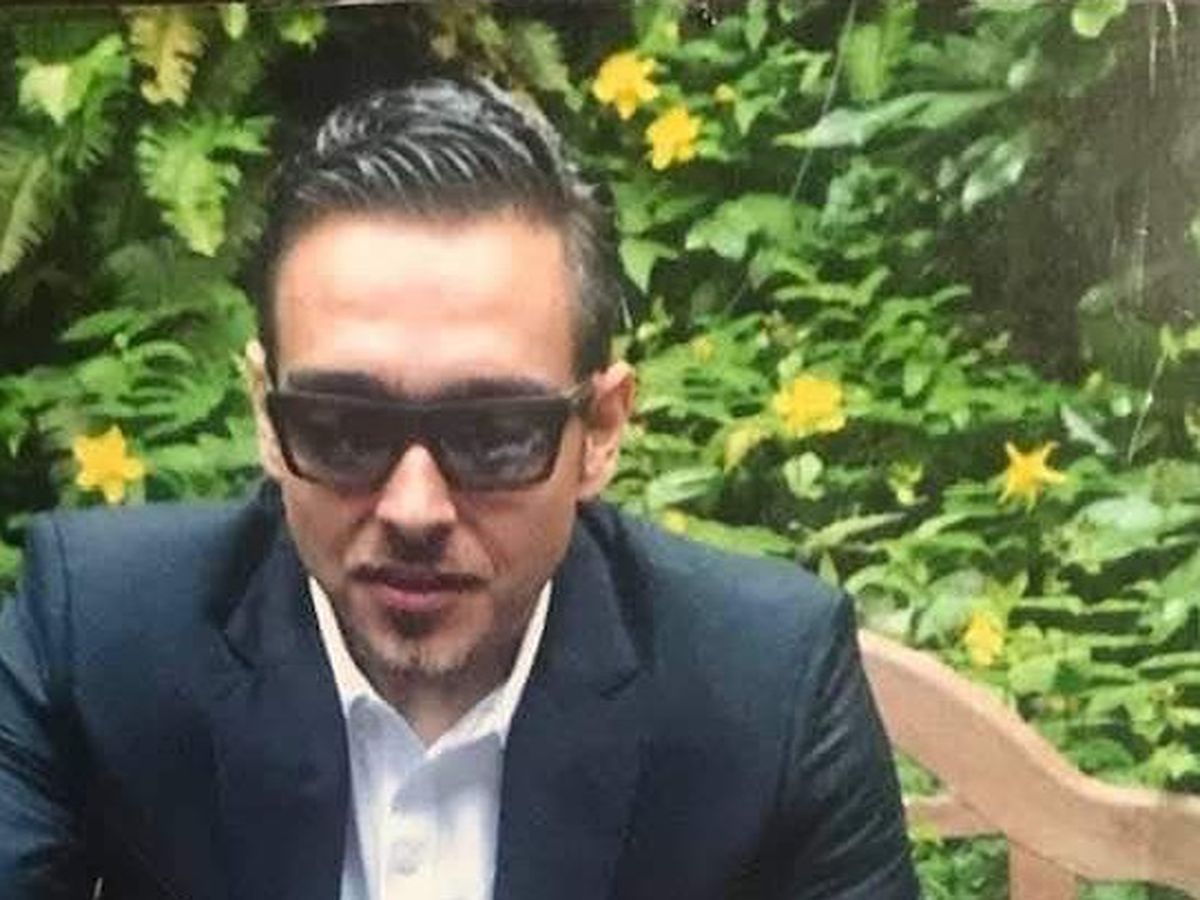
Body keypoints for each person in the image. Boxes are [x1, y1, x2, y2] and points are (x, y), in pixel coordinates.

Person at [0, 78, 918, 899]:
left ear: (600, 430)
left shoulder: (766, 682)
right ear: (267, 419)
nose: (415, 508)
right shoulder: (99, 633)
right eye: (344, 427)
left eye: (493, 435)